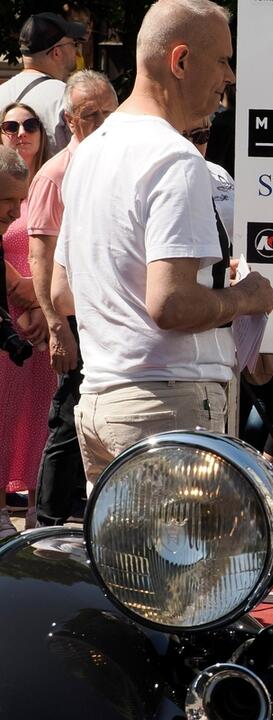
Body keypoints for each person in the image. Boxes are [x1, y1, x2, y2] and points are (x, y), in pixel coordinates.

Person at [52, 0, 273, 485]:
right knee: (187, 564)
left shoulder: (88, 154)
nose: (230, 77)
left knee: (125, 564)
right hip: (166, 407)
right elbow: (170, 304)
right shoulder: (175, 158)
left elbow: (63, 292)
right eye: (222, 60)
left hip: (102, 402)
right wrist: (246, 298)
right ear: (180, 61)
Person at [26, 70, 117, 527]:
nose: (101, 121)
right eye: (90, 114)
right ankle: (46, 524)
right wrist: (57, 326)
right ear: (69, 119)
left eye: (108, 112)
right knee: (67, 417)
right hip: (76, 317)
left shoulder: (121, 164)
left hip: (115, 316)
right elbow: (39, 255)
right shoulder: (56, 174)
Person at [0, 103, 53, 533]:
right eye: (10, 125)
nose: (20, 132)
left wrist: (44, 308)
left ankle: (39, 510)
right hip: (12, 309)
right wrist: (31, 300)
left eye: (29, 124)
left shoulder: (52, 185)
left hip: (44, 317)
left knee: (39, 413)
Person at [0, 13, 84, 155]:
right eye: (73, 44)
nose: (76, 50)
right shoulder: (67, 97)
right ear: (57, 52)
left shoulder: (2, 91)